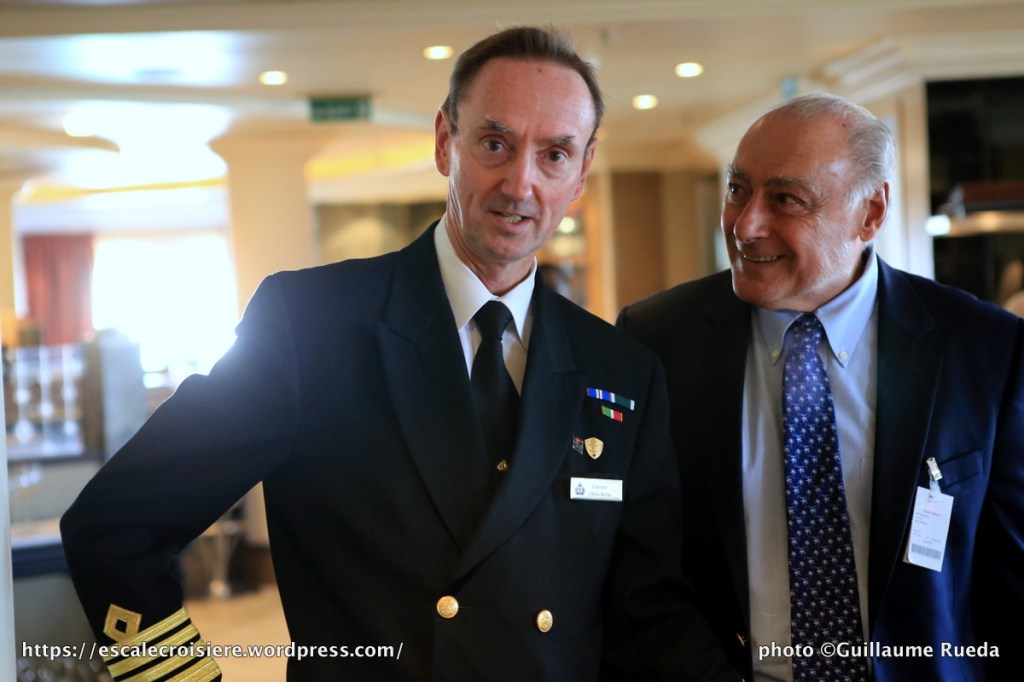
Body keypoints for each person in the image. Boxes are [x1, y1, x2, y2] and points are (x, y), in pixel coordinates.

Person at [61, 26, 736, 681]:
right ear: (446, 142)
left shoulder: (619, 368)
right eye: (495, 144)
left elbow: (644, 613)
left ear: (583, 171)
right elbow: (115, 527)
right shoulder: (312, 326)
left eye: (554, 154)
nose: (521, 184)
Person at [617, 93, 1024, 681]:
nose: (746, 224)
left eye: (786, 199)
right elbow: (638, 571)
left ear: (870, 214)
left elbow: (1011, 582)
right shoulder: (656, 341)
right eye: (738, 189)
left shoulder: (984, 350)